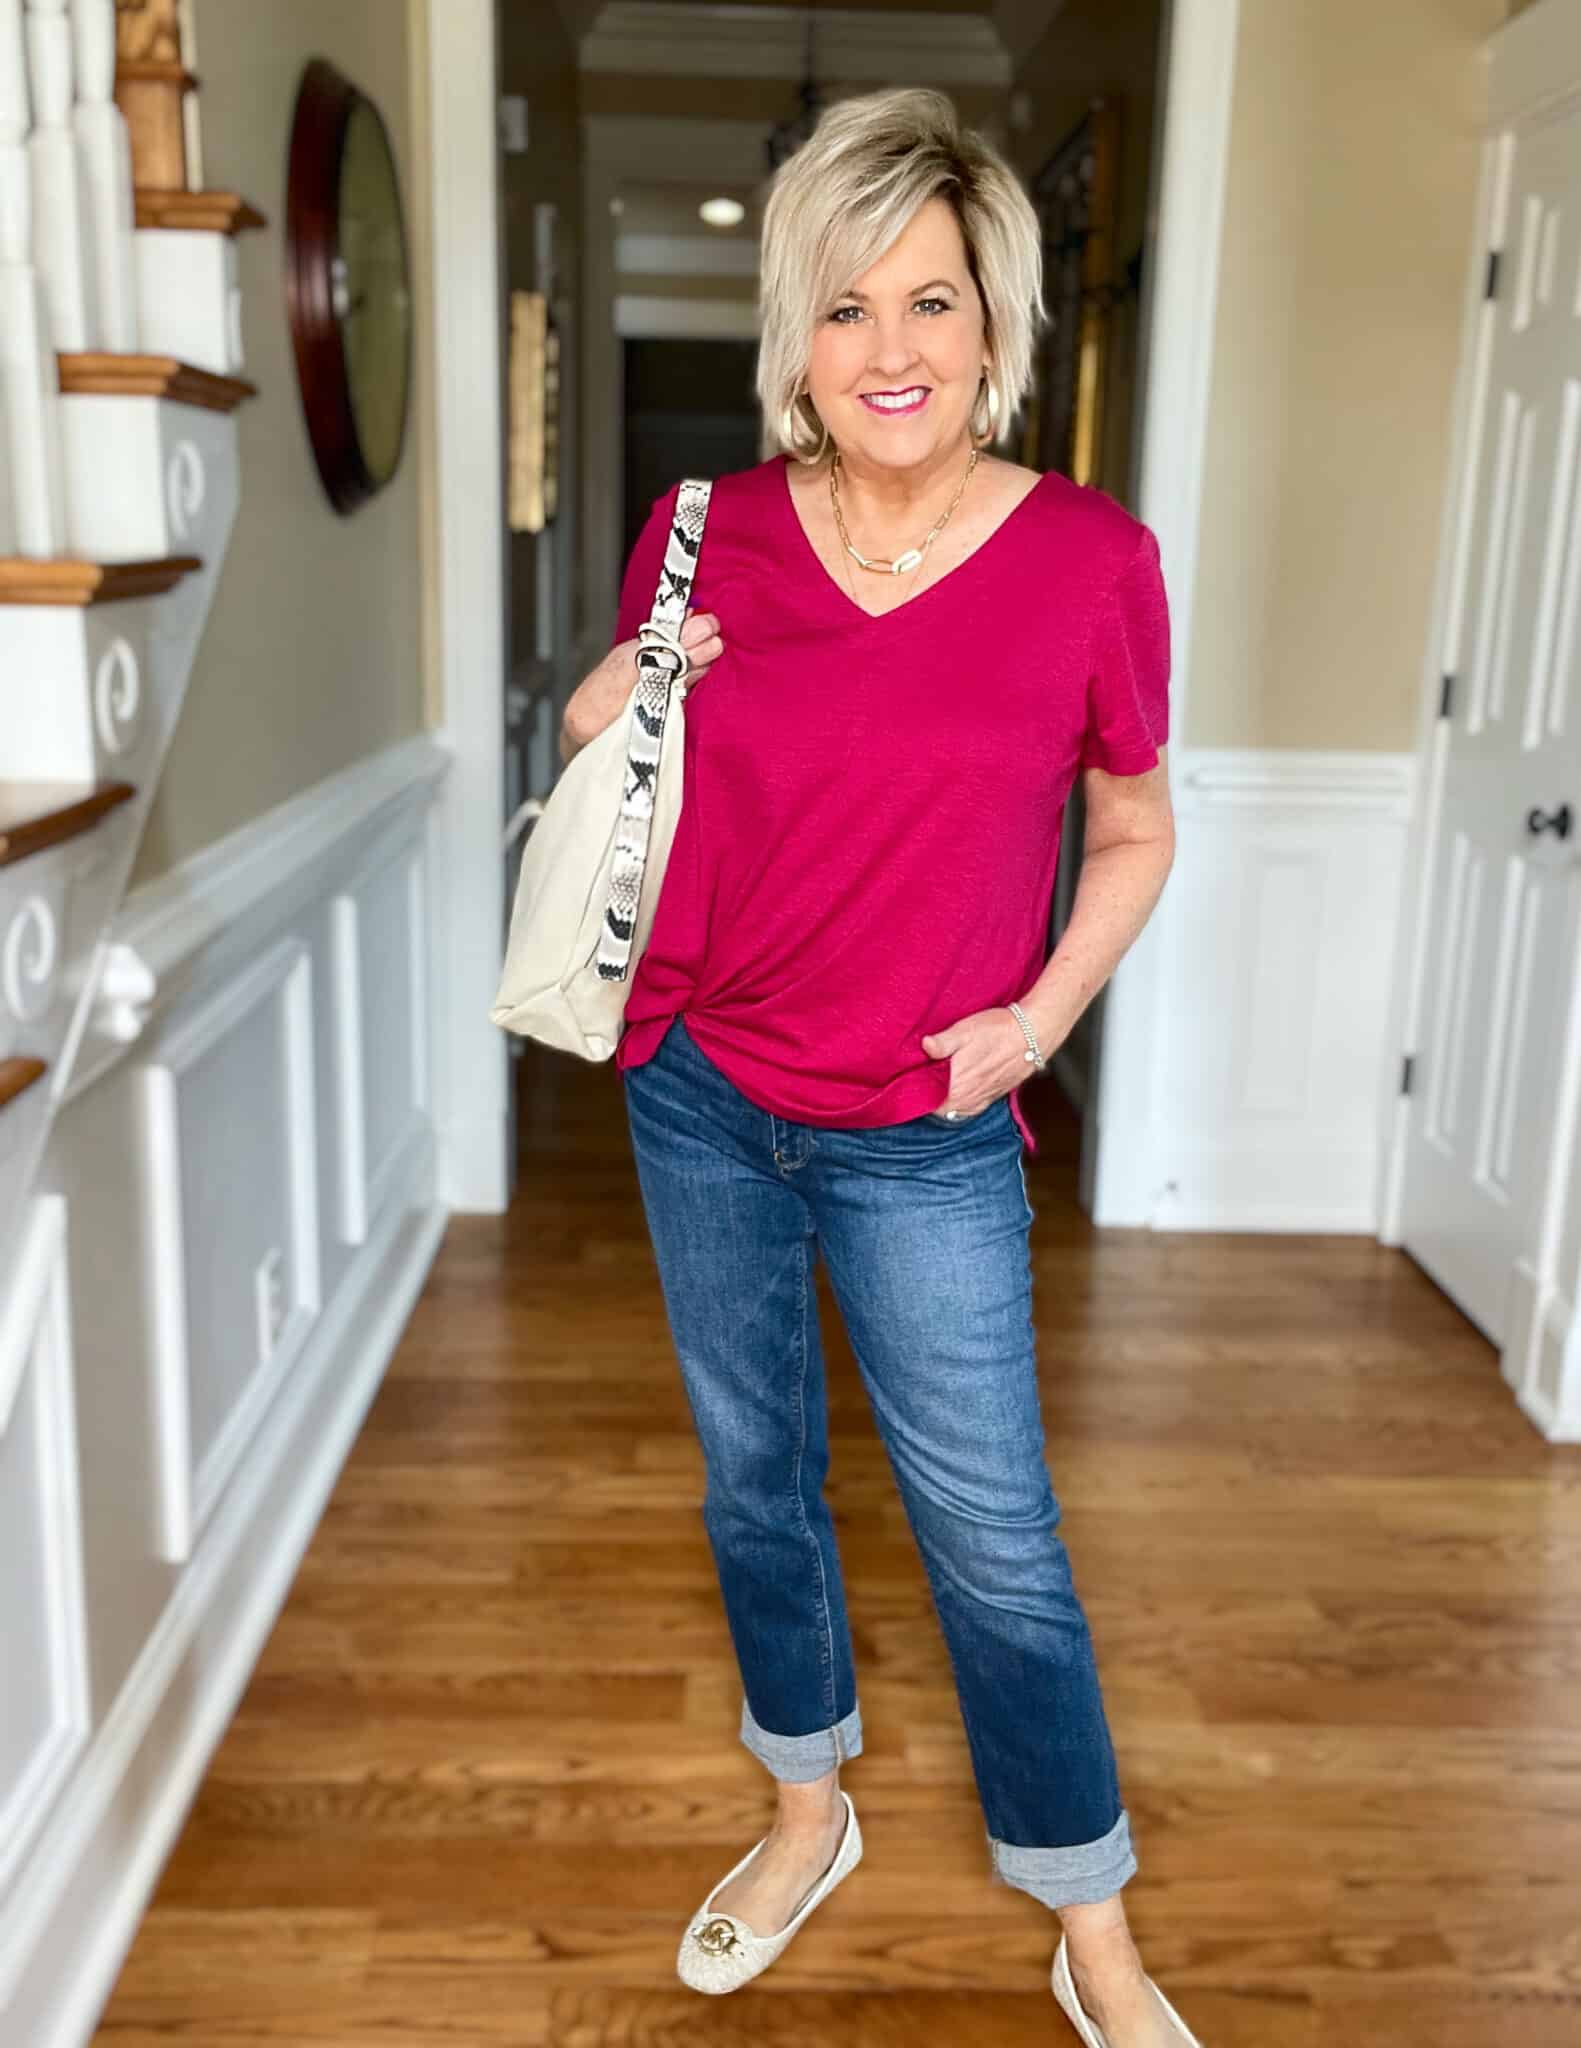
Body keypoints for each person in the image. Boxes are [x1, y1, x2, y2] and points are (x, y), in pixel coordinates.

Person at [560, 85, 1192, 2047]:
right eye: (843, 309)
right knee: (756, 1486)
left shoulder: (1089, 561)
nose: (888, 351)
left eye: (928, 303)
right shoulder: (705, 533)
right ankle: (802, 1809)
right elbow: (607, 757)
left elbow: (1134, 828)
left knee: (993, 1544)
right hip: (701, 1095)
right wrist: (618, 688)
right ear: (793, 339)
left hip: (922, 1128)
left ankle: (1087, 1925)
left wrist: (1037, 1019)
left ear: (993, 328)